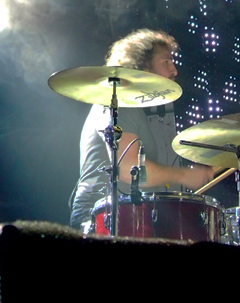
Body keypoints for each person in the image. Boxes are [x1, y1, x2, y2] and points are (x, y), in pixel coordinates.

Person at [69, 29, 216, 230]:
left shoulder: (148, 112)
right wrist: (185, 176)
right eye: (166, 62)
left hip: (132, 213)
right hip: (101, 217)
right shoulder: (118, 101)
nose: (174, 71)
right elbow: (128, 169)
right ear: (141, 64)